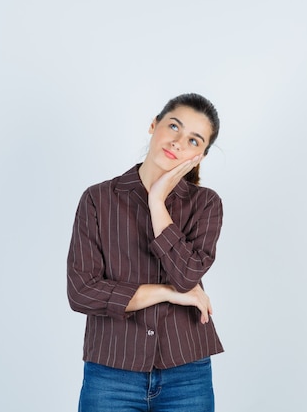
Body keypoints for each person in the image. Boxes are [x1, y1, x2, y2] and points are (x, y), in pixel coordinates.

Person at [67, 93, 224, 412]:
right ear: (154, 125)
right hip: (111, 371)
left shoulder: (206, 204)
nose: (179, 142)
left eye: (194, 140)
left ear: (201, 156)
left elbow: (186, 278)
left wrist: (156, 203)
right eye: (174, 126)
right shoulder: (98, 199)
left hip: (187, 373)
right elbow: (82, 293)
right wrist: (165, 293)